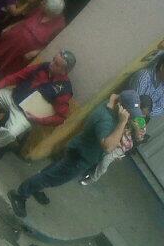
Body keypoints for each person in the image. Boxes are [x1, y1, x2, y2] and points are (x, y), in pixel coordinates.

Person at [8, 90, 145, 217]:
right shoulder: (106, 119)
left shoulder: (111, 105)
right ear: (121, 107)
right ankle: (20, 195)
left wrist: (130, 125)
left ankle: (37, 187)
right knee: (52, 177)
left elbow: (116, 97)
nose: (130, 115)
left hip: (78, 149)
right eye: (129, 112)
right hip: (80, 156)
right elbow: (108, 147)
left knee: (54, 170)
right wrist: (122, 122)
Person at [0, 50, 76, 162]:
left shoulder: (64, 90)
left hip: (25, 115)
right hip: (12, 97)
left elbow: (61, 118)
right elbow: (19, 75)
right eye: (54, 59)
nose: (51, 63)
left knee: (10, 133)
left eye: (56, 64)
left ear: (64, 71)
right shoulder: (43, 66)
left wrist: (38, 120)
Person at [0, 0, 66, 82]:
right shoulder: (40, 10)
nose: (41, 2)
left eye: (44, 2)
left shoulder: (60, 25)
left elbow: (53, 43)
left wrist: (35, 52)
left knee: (10, 68)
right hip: (14, 37)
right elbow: (25, 20)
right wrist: (10, 27)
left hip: (26, 51)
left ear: (50, 9)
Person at [80, 94, 151, 185]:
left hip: (123, 145)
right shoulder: (127, 108)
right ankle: (85, 165)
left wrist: (136, 129)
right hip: (113, 134)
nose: (142, 115)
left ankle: (93, 178)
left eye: (144, 114)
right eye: (141, 111)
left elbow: (139, 137)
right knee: (97, 149)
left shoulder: (141, 121)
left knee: (105, 161)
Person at [129, 53, 164, 117]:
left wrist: (147, 110)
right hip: (123, 112)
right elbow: (135, 104)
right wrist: (145, 109)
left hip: (137, 117)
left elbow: (161, 108)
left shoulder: (162, 83)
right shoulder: (143, 76)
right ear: (162, 67)